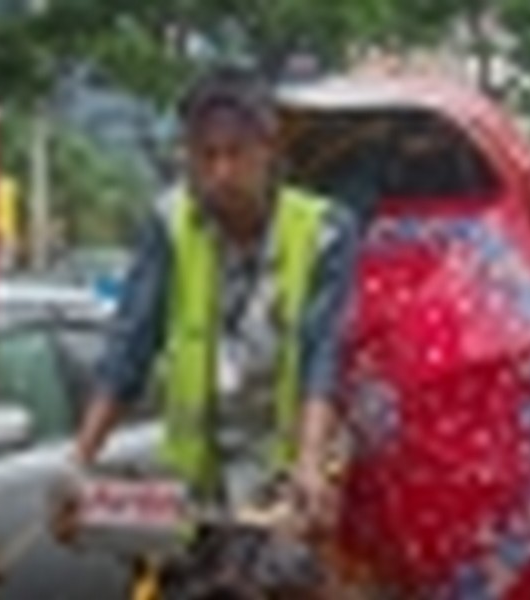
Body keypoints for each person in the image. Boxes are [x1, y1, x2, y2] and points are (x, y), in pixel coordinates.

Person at [67, 66, 360, 590]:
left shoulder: (324, 230)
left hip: (280, 494)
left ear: (268, 150)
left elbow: (323, 353)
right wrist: (79, 461)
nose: (220, 173)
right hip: (192, 496)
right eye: (205, 156)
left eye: (235, 154)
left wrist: (310, 462)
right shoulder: (170, 224)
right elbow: (128, 348)